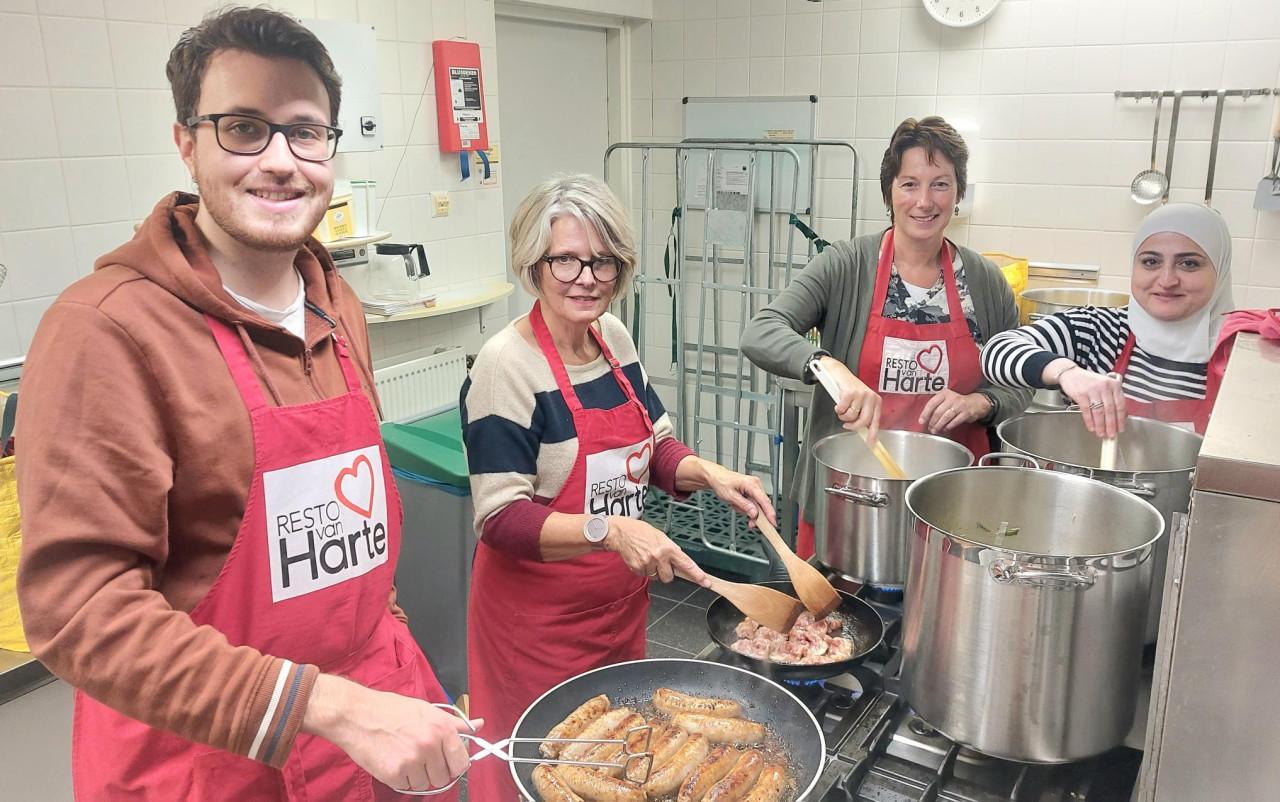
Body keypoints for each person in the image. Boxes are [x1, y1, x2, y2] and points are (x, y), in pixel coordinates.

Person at [15, 8, 473, 800]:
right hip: (213, 760)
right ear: (186, 142)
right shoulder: (108, 330)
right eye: (243, 129)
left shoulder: (337, 304)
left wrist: (390, 665)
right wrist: (320, 704)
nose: (281, 161)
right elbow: (77, 612)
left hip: (366, 723)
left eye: (305, 131)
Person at [462, 174, 776, 802]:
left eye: (602, 260)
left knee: (626, 768)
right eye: (567, 260)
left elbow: (654, 447)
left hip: (617, 613)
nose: (586, 276)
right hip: (536, 632)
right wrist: (612, 531)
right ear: (534, 265)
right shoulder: (505, 367)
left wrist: (711, 474)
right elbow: (501, 519)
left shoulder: (614, 340)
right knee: (541, 777)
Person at [740, 116, 1030, 560]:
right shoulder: (847, 265)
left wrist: (980, 403)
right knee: (837, 623)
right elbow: (761, 331)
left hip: (951, 502)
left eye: (941, 185)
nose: (924, 201)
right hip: (853, 495)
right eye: (910, 183)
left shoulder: (985, 281)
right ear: (889, 191)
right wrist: (827, 365)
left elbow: (1018, 380)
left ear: (959, 194)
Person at [981, 202, 1235, 436]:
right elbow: (997, 351)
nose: (1167, 280)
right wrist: (1067, 373)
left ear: (1220, 270)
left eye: (1189, 264)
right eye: (1151, 262)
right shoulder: (1099, 331)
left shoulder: (1239, 355)